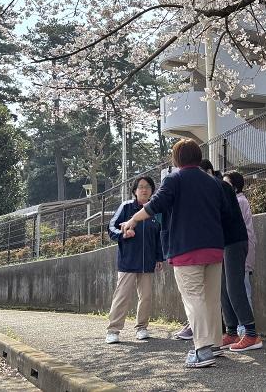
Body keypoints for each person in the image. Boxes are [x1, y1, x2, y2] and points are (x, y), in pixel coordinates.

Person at [119, 139, 229, 368]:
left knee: (193, 298)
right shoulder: (213, 182)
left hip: (186, 247)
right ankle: (215, 344)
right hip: (215, 247)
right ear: (198, 157)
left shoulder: (175, 179)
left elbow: (154, 205)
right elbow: (224, 212)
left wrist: (132, 220)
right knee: (211, 298)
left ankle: (202, 351)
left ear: (177, 159)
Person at [201, 160, 262, 353]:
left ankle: (251, 334)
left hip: (234, 242)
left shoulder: (219, 187)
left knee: (234, 287)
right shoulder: (215, 187)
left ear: (209, 172)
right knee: (224, 289)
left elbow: (219, 217)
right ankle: (232, 331)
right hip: (225, 243)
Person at [105, 176, 164, 344]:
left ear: (152, 191)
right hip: (128, 261)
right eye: (140, 187)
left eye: (147, 187)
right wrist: (122, 234)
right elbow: (111, 227)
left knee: (146, 296)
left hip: (148, 262)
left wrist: (159, 257)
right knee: (122, 296)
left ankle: (142, 328)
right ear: (134, 191)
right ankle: (113, 330)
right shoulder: (126, 207)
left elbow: (159, 235)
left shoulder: (155, 211)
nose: (144, 190)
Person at [224, 171, 257, 315]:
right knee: (241, 287)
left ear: (235, 187)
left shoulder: (239, 201)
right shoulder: (239, 200)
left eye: (227, 184)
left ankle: (246, 328)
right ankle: (244, 327)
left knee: (243, 289)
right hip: (244, 249)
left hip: (241, 251)